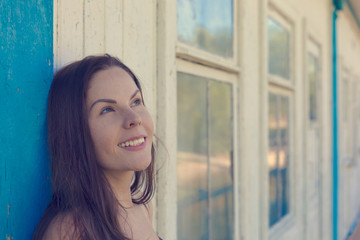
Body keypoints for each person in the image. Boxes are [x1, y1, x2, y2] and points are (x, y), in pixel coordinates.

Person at [32, 54, 162, 240]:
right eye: (107, 110)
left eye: (136, 101)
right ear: (76, 133)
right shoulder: (70, 232)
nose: (134, 118)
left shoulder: (142, 207)